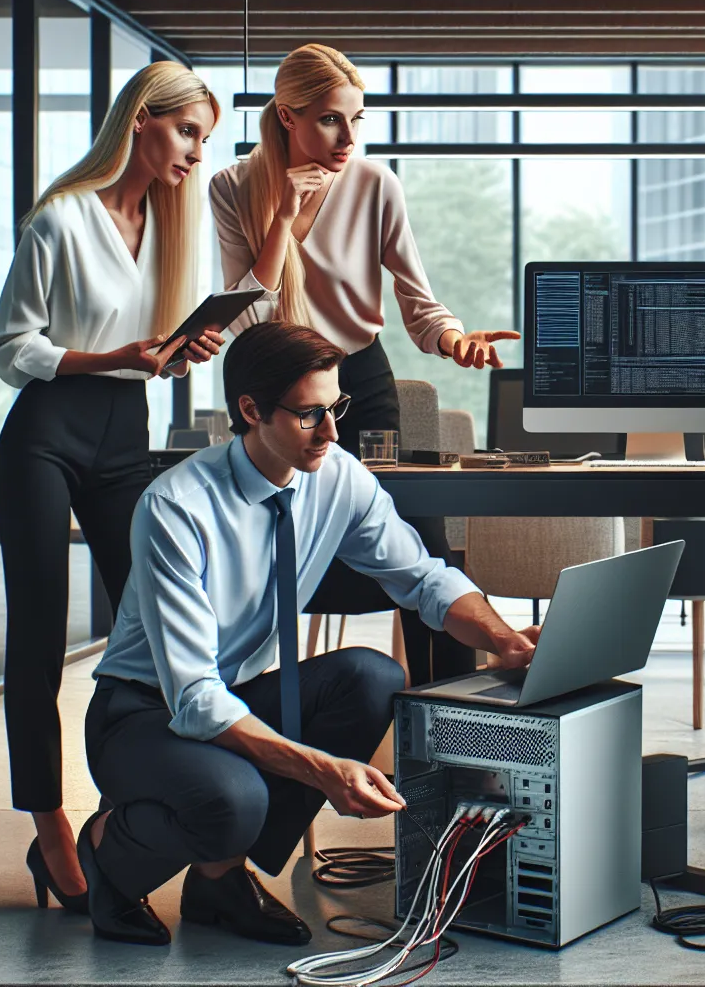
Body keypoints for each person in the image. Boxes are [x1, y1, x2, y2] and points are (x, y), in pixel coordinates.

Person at [76, 321, 538, 946]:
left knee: (371, 678)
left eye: (336, 407)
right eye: (309, 415)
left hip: (235, 693)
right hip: (141, 712)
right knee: (235, 799)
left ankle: (218, 878)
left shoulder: (338, 475)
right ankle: (105, 852)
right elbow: (195, 697)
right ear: (251, 411)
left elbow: (424, 578)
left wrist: (505, 639)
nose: (332, 431)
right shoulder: (176, 507)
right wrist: (323, 771)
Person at [0, 61, 225, 916]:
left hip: (127, 440)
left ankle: (130, 804)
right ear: (141, 121)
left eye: (204, 139)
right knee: (39, 639)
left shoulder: (169, 228)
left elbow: (147, 351)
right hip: (46, 439)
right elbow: (11, 348)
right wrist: (113, 357)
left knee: (159, 632)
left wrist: (178, 352)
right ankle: (49, 825)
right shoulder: (60, 218)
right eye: (187, 131)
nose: (196, 152)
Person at [210, 43, 516, 688]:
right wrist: (282, 218)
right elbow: (245, 319)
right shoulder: (232, 187)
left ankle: (454, 716)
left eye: (357, 120)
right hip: (276, 386)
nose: (348, 138)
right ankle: (241, 699)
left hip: (362, 379)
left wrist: (454, 339)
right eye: (330, 120)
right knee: (268, 533)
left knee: (423, 539)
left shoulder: (376, 184)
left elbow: (418, 301)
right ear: (287, 116)